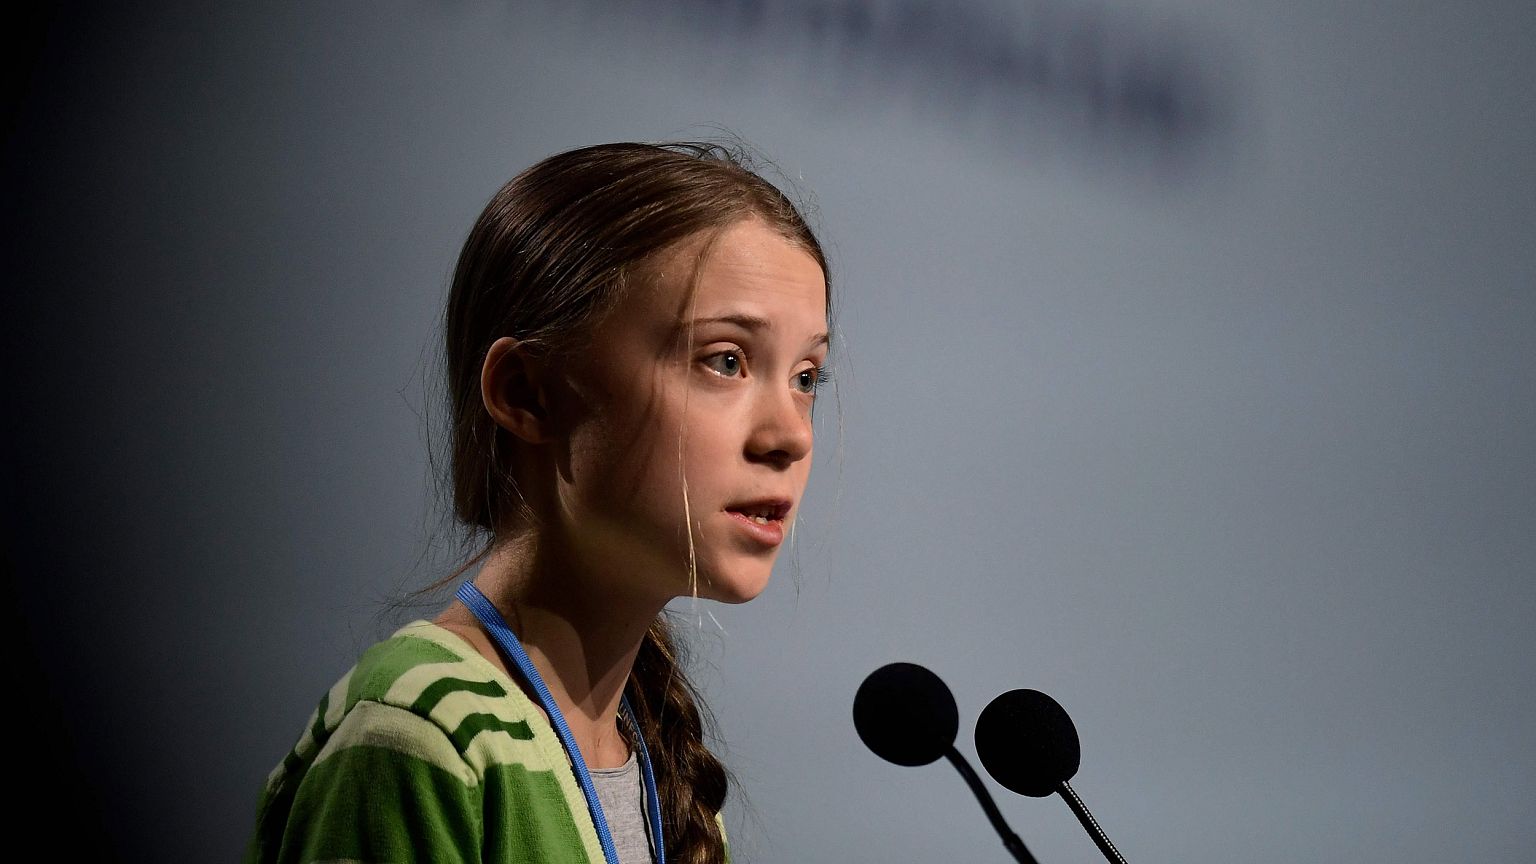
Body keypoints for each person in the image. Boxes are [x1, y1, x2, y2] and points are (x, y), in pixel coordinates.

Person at [245, 141, 832, 864]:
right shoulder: (423, 736)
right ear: (526, 393)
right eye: (725, 360)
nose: (789, 436)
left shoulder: (671, 788)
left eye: (808, 377)